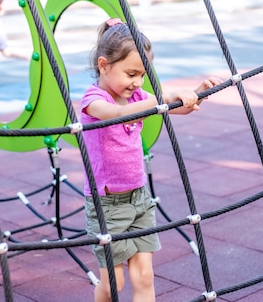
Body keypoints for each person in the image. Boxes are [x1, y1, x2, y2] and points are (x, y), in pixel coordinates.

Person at [81, 18, 220, 302]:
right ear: (103, 65)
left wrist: (195, 94)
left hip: (140, 200)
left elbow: (175, 109)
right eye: (131, 73)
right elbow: (115, 114)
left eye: (143, 75)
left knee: (144, 276)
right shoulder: (93, 99)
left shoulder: (138, 96)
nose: (137, 82)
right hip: (108, 205)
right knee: (112, 284)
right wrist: (163, 98)